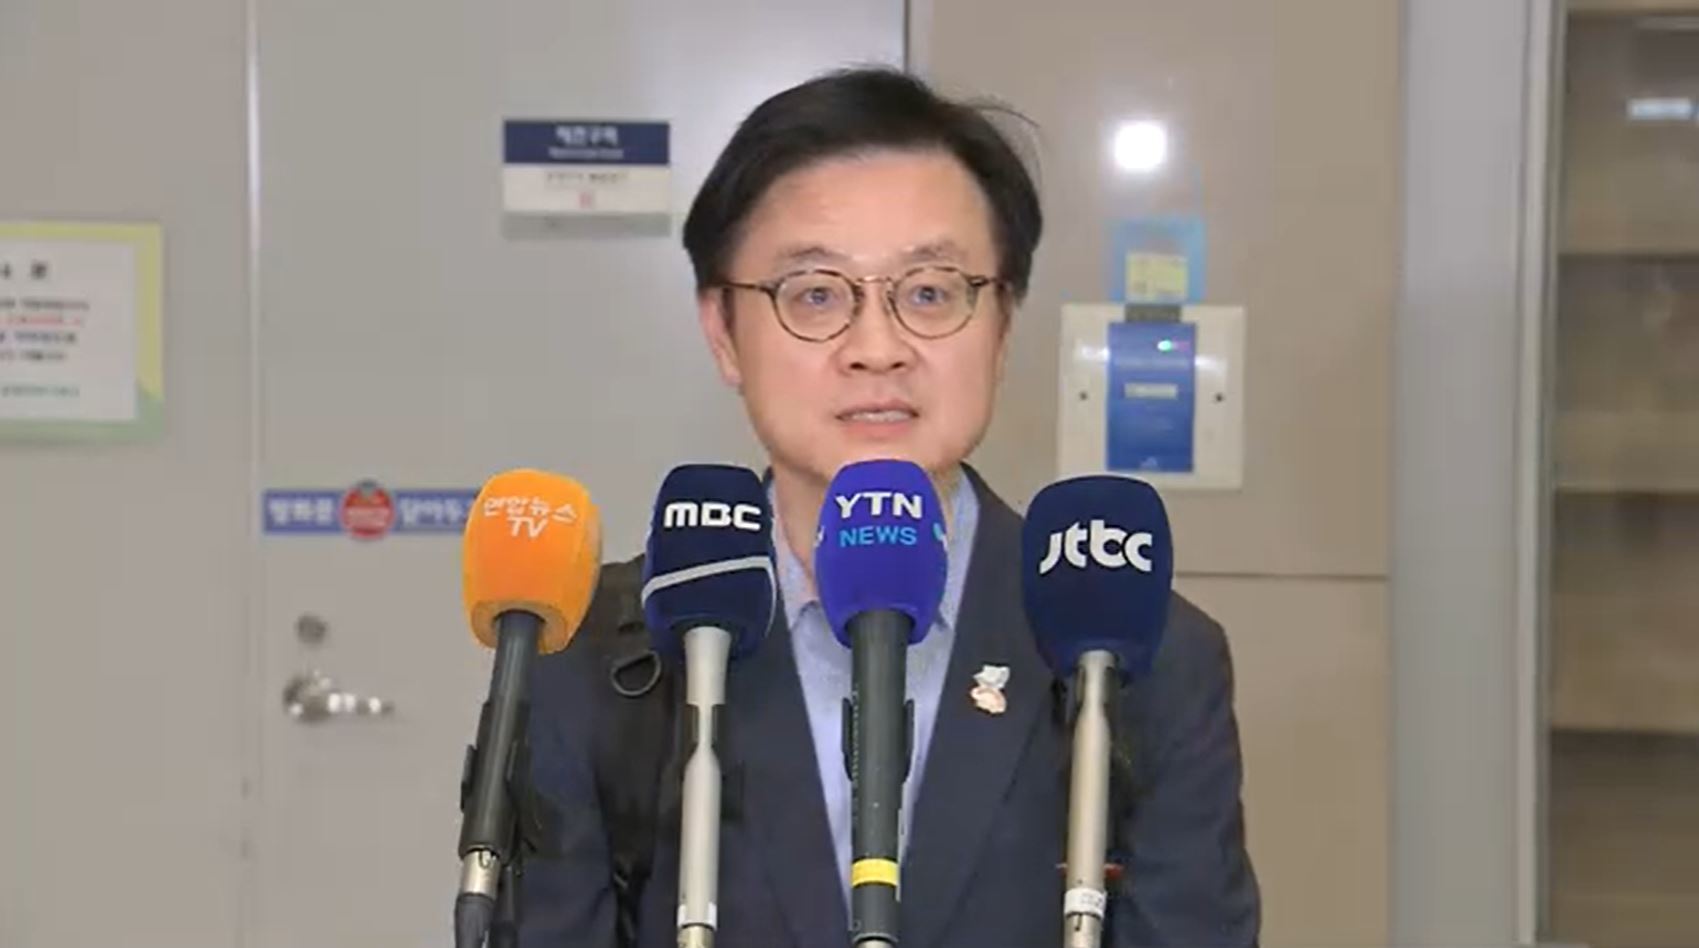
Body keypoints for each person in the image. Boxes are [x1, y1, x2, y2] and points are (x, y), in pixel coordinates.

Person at [520, 66, 1260, 948]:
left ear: (1003, 323)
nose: (877, 348)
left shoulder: (1142, 653)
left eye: (929, 292)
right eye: (815, 294)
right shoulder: (593, 655)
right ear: (722, 331)